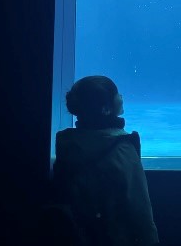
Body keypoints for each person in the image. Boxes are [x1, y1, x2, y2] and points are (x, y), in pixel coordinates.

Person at [50, 75, 159, 245]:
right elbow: (139, 209)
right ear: (106, 109)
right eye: (116, 94)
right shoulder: (123, 150)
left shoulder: (67, 146)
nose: (121, 97)